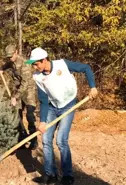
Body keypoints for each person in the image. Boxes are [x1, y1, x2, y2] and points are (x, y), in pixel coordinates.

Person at [25, 47, 98, 185]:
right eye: (33, 64)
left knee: (61, 140)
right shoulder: (38, 77)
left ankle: (67, 176)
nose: (35, 67)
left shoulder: (62, 64)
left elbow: (86, 68)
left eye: (36, 64)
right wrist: (43, 121)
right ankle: (50, 175)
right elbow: (43, 100)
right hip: (53, 107)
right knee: (46, 139)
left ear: (44, 59)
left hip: (69, 105)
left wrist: (92, 86)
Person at [0, 44, 38, 149]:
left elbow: (25, 84)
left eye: (11, 56)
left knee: (30, 115)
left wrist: (15, 97)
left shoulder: (25, 63)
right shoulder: (11, 62)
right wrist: (2, 68)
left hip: (28, 90)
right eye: (8, 57)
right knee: (17, 115)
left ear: (16, 52)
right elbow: (8, 65)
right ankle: (22, 136)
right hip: (17, 90)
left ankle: (34, 140)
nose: (10, 58)